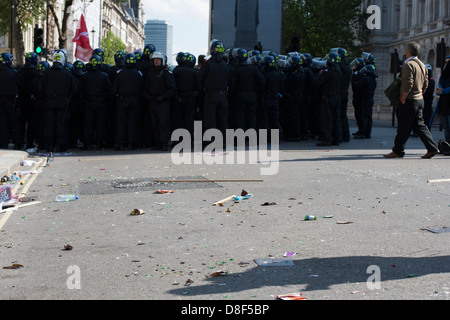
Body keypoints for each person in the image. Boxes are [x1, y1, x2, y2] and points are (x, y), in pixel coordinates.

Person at [384, 42, 439, 159]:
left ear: (408, 51)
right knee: (419, 125)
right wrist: (420, 93)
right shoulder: (422, 65)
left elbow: (407, 83)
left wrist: (403, 96)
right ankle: (432, 148)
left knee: (403, 126)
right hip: (419, 99)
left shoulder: (409, 65)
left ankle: (398, 150)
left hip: (409, 100)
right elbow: (426, 83)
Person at [39, 50, 74, 152]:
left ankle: (49, 145)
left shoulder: (46, 73)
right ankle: (60, 146)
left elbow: (40, 89)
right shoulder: (67, 74)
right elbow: (73, 89)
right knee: (61, 124)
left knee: (49, 124)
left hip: (49, 101)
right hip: (62, 101)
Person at [198, 41, 232, 140]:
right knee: (223, 119)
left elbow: (199, 79)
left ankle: (212, 141)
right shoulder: (225, 66)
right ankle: (224, 141)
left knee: (210, 119)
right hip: (223, 95)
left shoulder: (208, 64)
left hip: (211, 95)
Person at [143, 51, 177, 151]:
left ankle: (164, 143)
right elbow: (145, 87)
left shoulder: (167, 73)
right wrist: (148, 96)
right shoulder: (150, 73)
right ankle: (157, 143)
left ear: (162, 61)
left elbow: (172, 89)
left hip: (163, 102)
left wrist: (162, 97)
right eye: (155, 60)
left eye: (158, 60)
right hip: (152, 102)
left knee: (163, 124)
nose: (156, 61)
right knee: (155, 124)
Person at [79, 54, 112, 150]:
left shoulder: (84, 76)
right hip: (101, 102)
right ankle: (100, 143)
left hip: (88, 103)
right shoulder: (104, 76)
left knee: (88, 124)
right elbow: (109, 91)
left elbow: (80, 91)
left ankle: (88, 143)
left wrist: (84, 101)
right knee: (100, 124)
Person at [113, 53, 144, 150]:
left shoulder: (119, 72)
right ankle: (131, 143)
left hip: (122, 100)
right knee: (133, 122)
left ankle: (120, 143)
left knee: (121, 122)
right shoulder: (138, 73)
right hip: (135, 100)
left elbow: (114, 89)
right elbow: (141, 88)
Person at [232, 48, 265, 132]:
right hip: (252, 95)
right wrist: (256, 90)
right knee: (251, 117)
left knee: (240, 117)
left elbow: (232, 84)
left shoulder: (236, 69)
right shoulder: (253, 68)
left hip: (240, 95)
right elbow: (261, 80)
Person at [315, 52, 342, 146]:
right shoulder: (339, 72)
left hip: (328, 98)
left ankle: (326, 139)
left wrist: (320, 74)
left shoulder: (328, 72)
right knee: (336, 119)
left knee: (326, 119)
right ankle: (336, 139)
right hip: (337, 97)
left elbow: (318, 83)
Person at [172, 52, 199, 141]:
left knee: (177, 120)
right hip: (191, 100)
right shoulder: (195, 72)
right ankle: (188, 141)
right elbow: (199, 87)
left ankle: (177, 141)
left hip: (178, 99)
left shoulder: (176, 71)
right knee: (189, 121)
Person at [14, 52, 38, 150]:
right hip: (32, 102)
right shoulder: (36, 72)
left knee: (20, 123)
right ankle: (29, 142)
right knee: (31, 124)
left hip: (21, 101)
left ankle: (19, 142)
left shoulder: (19, 72)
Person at [0, 53, 23, 149]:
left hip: (1, 100)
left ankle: (3, 142)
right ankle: (17, 142)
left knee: (2, 122)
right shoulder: (13, 73)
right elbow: (21, 84)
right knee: (15, 122)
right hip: (12, 101)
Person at [352, 64, 377, 139]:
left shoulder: (365, 79)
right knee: (369, 117)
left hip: (364, 100)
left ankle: (362, 133)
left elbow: (356, 85)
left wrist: (354, 77)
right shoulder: (373, 79)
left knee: (364, 116)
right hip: (370, 99)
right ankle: (367, 133)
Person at [436, 56, 450, 143]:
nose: (447, 64)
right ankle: (447, 143)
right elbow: (439, 84)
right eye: (446, 62)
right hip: (443, 104)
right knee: (446, 126)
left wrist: (443, 91)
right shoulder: (443, 75)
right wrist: (439, 90)